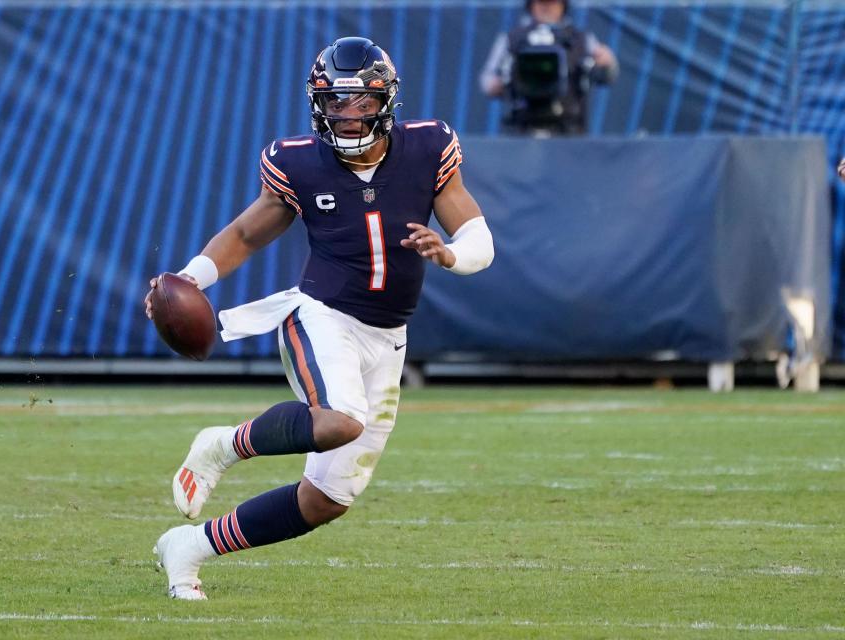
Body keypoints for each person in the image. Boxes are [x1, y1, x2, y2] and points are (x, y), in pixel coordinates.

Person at [145, 36, 494, 600]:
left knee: (325, 501)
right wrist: (187, 281)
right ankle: (223, 445)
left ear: (386, 100)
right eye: (334, 103)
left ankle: (190, 547)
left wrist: (451, 254)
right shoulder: (299, 162)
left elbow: (478, 237)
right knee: (339, 420)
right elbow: (242, 234)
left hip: (388, 336)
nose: (347, 116)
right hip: (322, 315)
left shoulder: (429, 147)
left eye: (359, 102)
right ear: (317, 104)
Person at [480, 0, 618, 135]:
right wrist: (500, 82)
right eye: (541, 2)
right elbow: (487, 80)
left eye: (552, 2)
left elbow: (607, 76)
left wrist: (608, 62)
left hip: (569, 130)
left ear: (563, 5)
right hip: (523, 128)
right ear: (531, 5)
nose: (546, 8)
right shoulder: (512, 39)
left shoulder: (581, 39)